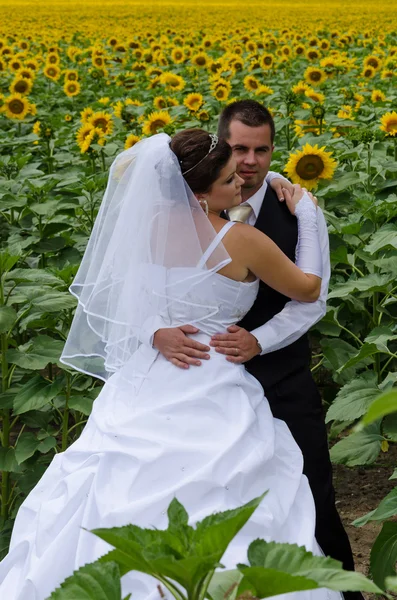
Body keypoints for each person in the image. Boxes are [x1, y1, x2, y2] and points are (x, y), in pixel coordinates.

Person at [0, 130, 342, 600]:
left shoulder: (149, 227)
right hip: (213, 375)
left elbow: (122, 294)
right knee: (229, 496)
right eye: (228, 181)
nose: (240, 185)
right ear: (199, 194)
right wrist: (307, 213)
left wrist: (152, 332)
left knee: (113, 481)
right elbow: (307, 288)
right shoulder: (241, 239)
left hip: (149, 375)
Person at [151, 101, 360, 600]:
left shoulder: (298, 207)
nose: (249, 162)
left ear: (273, 149)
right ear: (223, 146)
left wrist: (259, 340)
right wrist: (154, 332)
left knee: (307, 489)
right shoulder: (177, 217)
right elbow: (141, 291)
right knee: (199, 495)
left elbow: (312, 299)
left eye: (261, 150)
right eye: (239, 149)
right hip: (200, 381)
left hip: (280, 374)